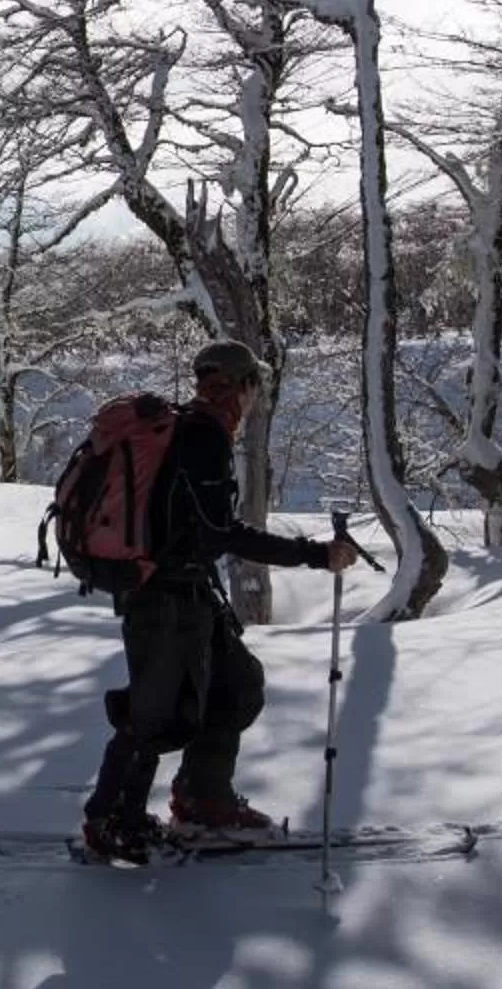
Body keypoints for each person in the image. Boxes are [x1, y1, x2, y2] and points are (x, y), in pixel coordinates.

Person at [77, 340, 360, 866]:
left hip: (184, 591)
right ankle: (110, 821)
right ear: (243, 386)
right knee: (153, 714)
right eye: (255, 385)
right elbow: (218, 531)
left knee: (236, 685)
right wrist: (313, 554)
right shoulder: (201, 436)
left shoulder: (193, 430)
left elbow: (199, 529)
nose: (255, 397)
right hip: (164, 599)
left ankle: (204, 800)